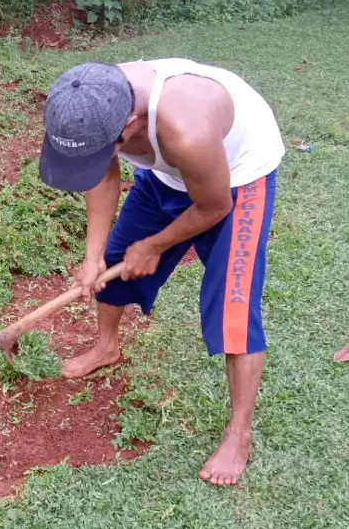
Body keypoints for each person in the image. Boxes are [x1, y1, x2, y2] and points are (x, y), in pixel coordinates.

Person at [39, 59, 284, 486]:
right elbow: (102, 170)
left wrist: (154, 245)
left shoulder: (186, 128)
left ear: (130, 124)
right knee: (114, 260)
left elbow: (214, 206)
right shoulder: (91, 99)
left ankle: (239, 433)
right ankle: (106, 348)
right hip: (168, 172)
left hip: (237, 179)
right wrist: (93, 256)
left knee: (234, 306)